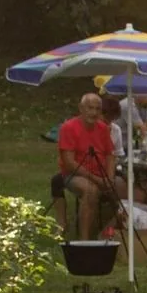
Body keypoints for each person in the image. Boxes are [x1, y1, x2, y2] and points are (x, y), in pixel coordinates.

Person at [52, 93, 116, 240]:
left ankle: (105, 233)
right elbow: (69, 163)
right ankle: (84, 240)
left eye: (97, 109)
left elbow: (110, 155)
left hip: (101, 174)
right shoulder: (68, 128)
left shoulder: (103, 128)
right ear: (81, 108)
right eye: (90, 108)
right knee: (90, 190)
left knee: (128, 190)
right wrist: (98, 180)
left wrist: (110, 178)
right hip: (75, 174)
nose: (94, 113)